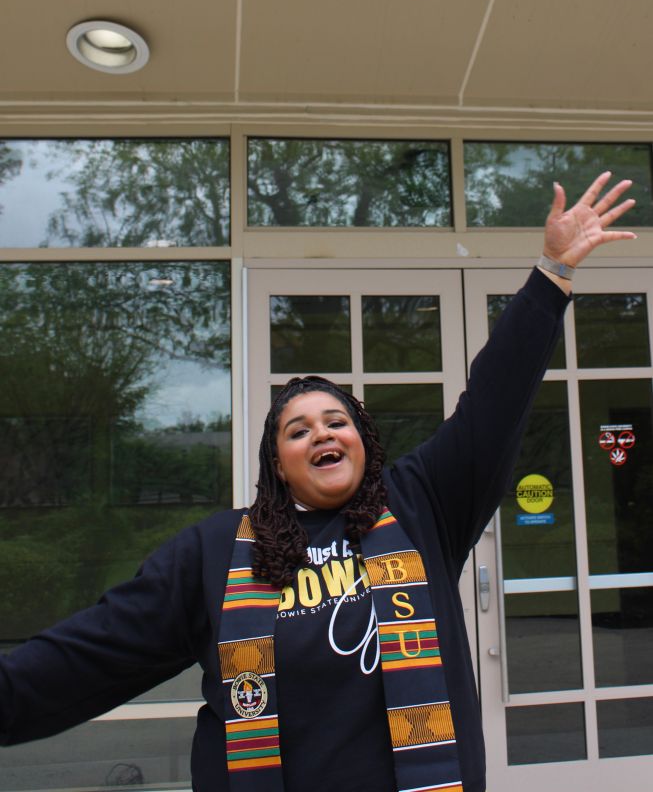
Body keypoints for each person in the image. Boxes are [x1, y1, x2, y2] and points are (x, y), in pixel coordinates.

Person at [0, 172, 637, 792]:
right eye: (298, 430)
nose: (322, 435)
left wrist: (552, 274)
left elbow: (494, 403)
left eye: (337, 422)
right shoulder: (213, 553)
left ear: (364, 441)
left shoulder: (421, 506)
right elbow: (93, 653)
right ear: (278, 463)